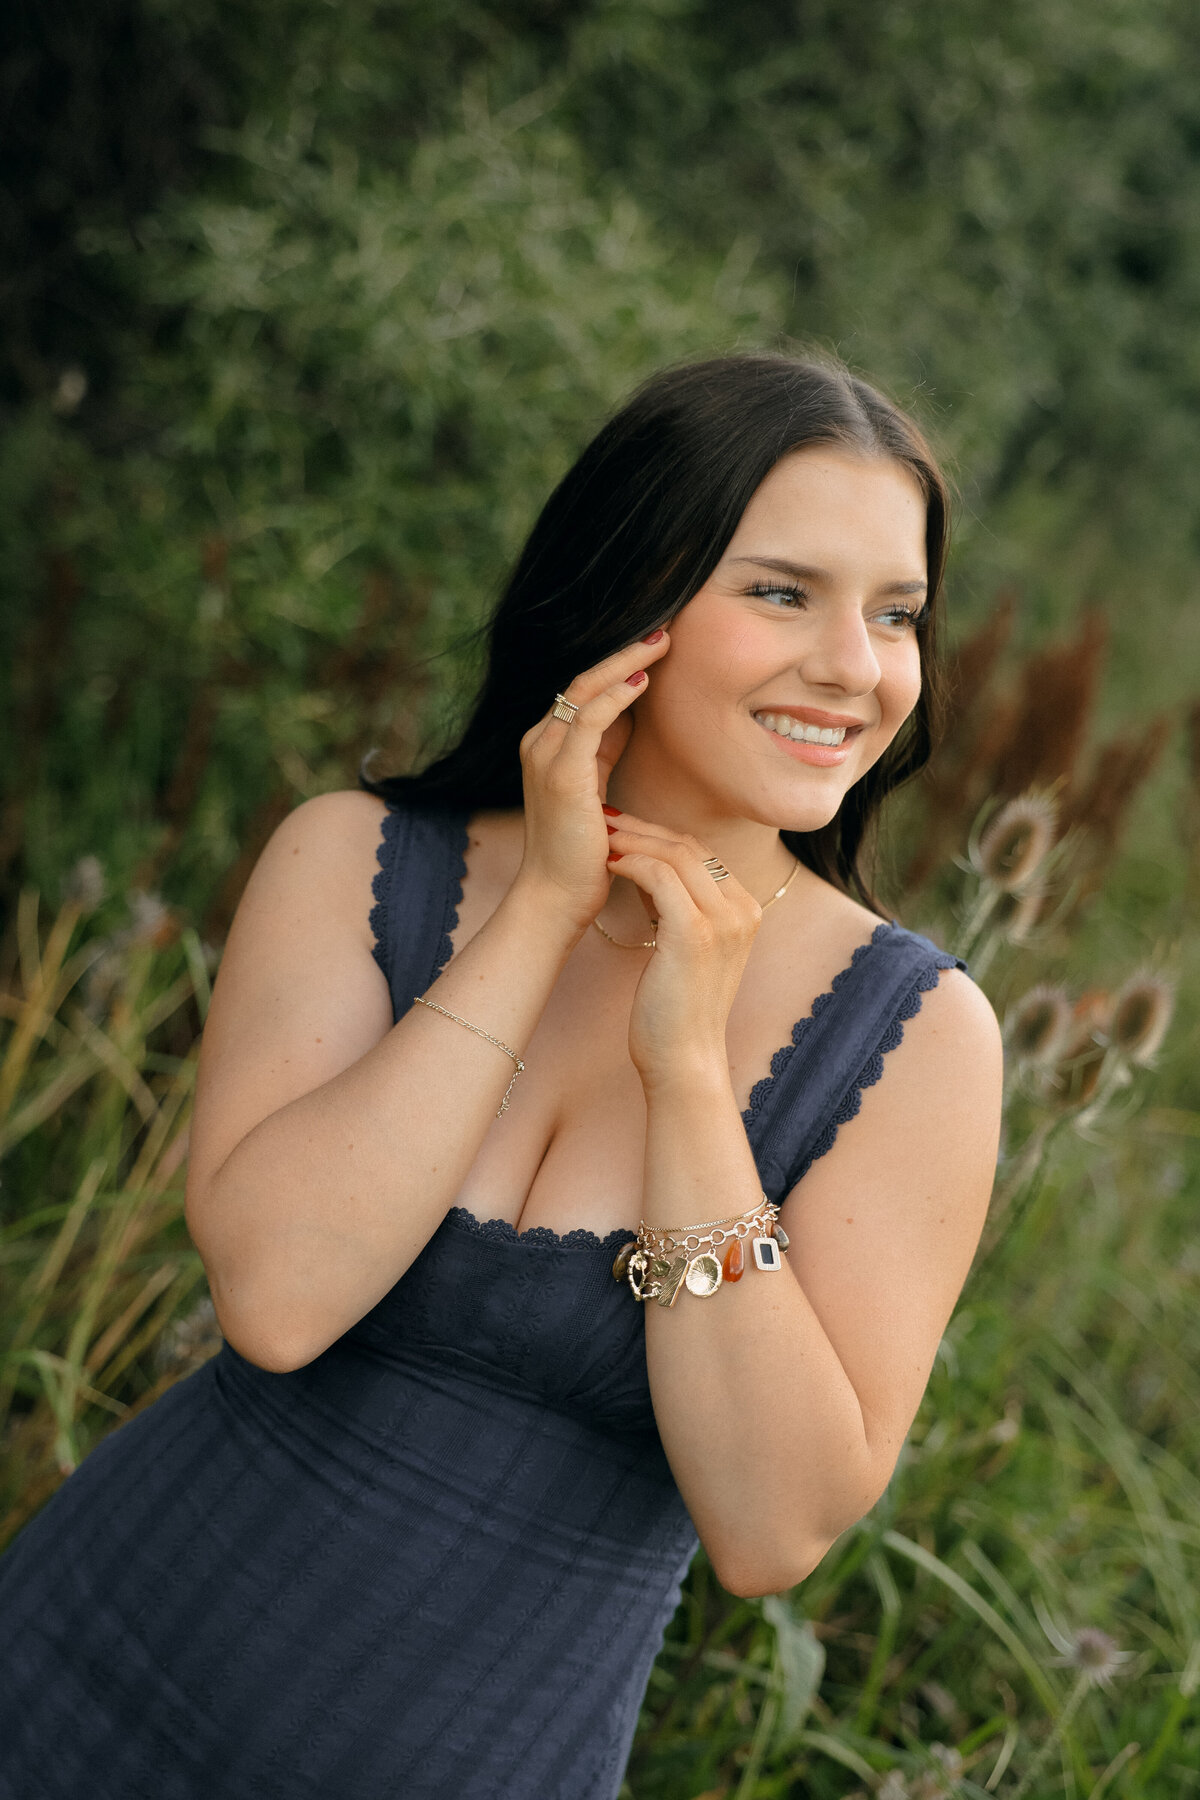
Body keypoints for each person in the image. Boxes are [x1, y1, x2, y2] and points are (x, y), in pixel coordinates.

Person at [0, 353, 1002, 1799]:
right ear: (627, 602)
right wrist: (538, 909)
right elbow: (279, 1300)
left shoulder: (915, 1041)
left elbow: (771, 1525)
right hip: (72, 1690)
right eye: (781, 592)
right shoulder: (353, 859)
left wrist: (690, 1082)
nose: (856, 666)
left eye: (896, 612)